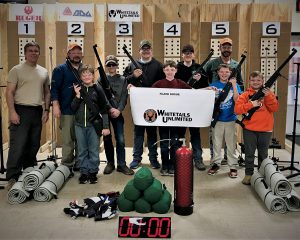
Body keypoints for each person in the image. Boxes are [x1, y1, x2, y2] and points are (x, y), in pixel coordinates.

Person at [5, 41, 51, 190]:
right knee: (18, 145)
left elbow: (47, 92)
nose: (33, 53)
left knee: (34, 144)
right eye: (30, 50)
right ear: (25, 53)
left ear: (39, 53)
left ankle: (29, 172)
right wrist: (12, 112)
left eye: (36, 51)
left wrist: (46, 110)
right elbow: (9, 92)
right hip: (20, 110)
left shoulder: (43, 71)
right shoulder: (16, 70)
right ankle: (12, 175)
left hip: (37, 110)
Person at [124, 40, 165, 169]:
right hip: (138, 104)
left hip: (153, 103)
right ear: (139, 51)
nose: (146, 51)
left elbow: (163, 82)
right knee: (138, 132)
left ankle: (153, 158)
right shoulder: (132, 65)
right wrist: (133, 77)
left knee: (152, 132)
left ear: (151, 50)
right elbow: (124, 81)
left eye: (148, 49)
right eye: (143, 49)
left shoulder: (158, 65)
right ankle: (136, 158)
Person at [234, 71, 279, 185]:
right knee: (249, 153)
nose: (256, 82)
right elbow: (237, 110)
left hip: (266, 129)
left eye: (258, 80)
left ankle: (262, 175)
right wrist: (251, 104)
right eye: (253, 80)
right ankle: (248, 174)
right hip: (249, 129)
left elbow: (274, 108)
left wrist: (268, 95)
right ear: (249, 81)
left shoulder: (269, 93)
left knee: (263, 155)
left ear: (262, 81)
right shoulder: (245, 95)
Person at [204, 37, 244, 164]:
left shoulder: (236, 64)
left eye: (229, 47)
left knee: (230, 137)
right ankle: (214, 159)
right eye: (224, 47)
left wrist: (238, 96)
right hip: (215, 103)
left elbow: (241, 83)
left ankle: (228, 158)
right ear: (220, 48)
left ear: (231, 49)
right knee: (215, 136)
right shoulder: (212, 63)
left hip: (230, 106)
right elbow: (203, 77)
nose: (226, 49)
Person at [71, 64, 110, 184]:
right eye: (84, 74)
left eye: (89, 74)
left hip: (94, 125)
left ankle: (93, 172)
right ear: (80, 77)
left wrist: (106, 126)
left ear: (93, 76)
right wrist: (77, 96)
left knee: (93, 150)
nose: (87, 76)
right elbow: (73, 108)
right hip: (79, 125)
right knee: (82, 150)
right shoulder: (77, 89)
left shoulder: (98, 89)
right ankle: (84, 172)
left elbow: (104, 109)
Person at [152, 60, 192, 176]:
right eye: (167, 69)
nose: (170, 72)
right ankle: (165, 166)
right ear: (164, 70)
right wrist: (134, 88)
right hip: (163, 120)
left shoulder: (180, 83)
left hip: (176, 121)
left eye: (172, 69)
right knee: (164, 144)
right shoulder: (158, 84)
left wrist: (207, 90)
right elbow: (147, 94)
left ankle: (173, 166)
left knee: (175, 143)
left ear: (176, 71)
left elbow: (193, 94)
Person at [175, 44, 208, 171]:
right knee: (180, 133)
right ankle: (179, 158)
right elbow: (174, 84)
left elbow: (205, 86)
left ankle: (198, 159)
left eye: (190, 52)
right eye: (185, 52)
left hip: (194, 106)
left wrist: (198, 81)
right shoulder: (177, 68)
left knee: (195, 133)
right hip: (180, 105)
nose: (188, 54)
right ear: (182, 54)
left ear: (193, 54)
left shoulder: (199, 68)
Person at [51, 43, 83, 176]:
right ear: (68, 54)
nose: (76, 54)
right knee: (68, 140)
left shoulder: (84, 69)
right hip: (66, 110)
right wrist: (56, 106)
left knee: (80, 140)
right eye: (73, 52)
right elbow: (54, 89)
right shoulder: (60, 69)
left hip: (81, 110)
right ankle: (66, 166)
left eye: (78, 52)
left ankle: (79, 164)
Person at [101, 55, 134, 175]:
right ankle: (110, 163)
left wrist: (119, 110)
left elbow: (124, 96)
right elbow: (102, 97)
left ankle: (121, 164)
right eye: (109, 65)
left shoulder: (123, 79)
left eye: (113, 64)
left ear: (116, 65)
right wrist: (110, 108)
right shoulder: (101, 79)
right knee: (107, 138)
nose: (111, 67)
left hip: (118, 113)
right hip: (106, 113)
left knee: (120, 140)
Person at [207, 64, 242, 178]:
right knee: (216, 143)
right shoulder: (214, 85)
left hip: (231, 118)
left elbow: (237, 100)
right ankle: (216, 163)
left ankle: (232, 165)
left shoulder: (235, 85)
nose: (224, 74)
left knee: (231, 144)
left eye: (227, 72)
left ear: (230, 73)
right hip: (217, 119)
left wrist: (234, 85)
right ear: (218, 73)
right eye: (222, 72)